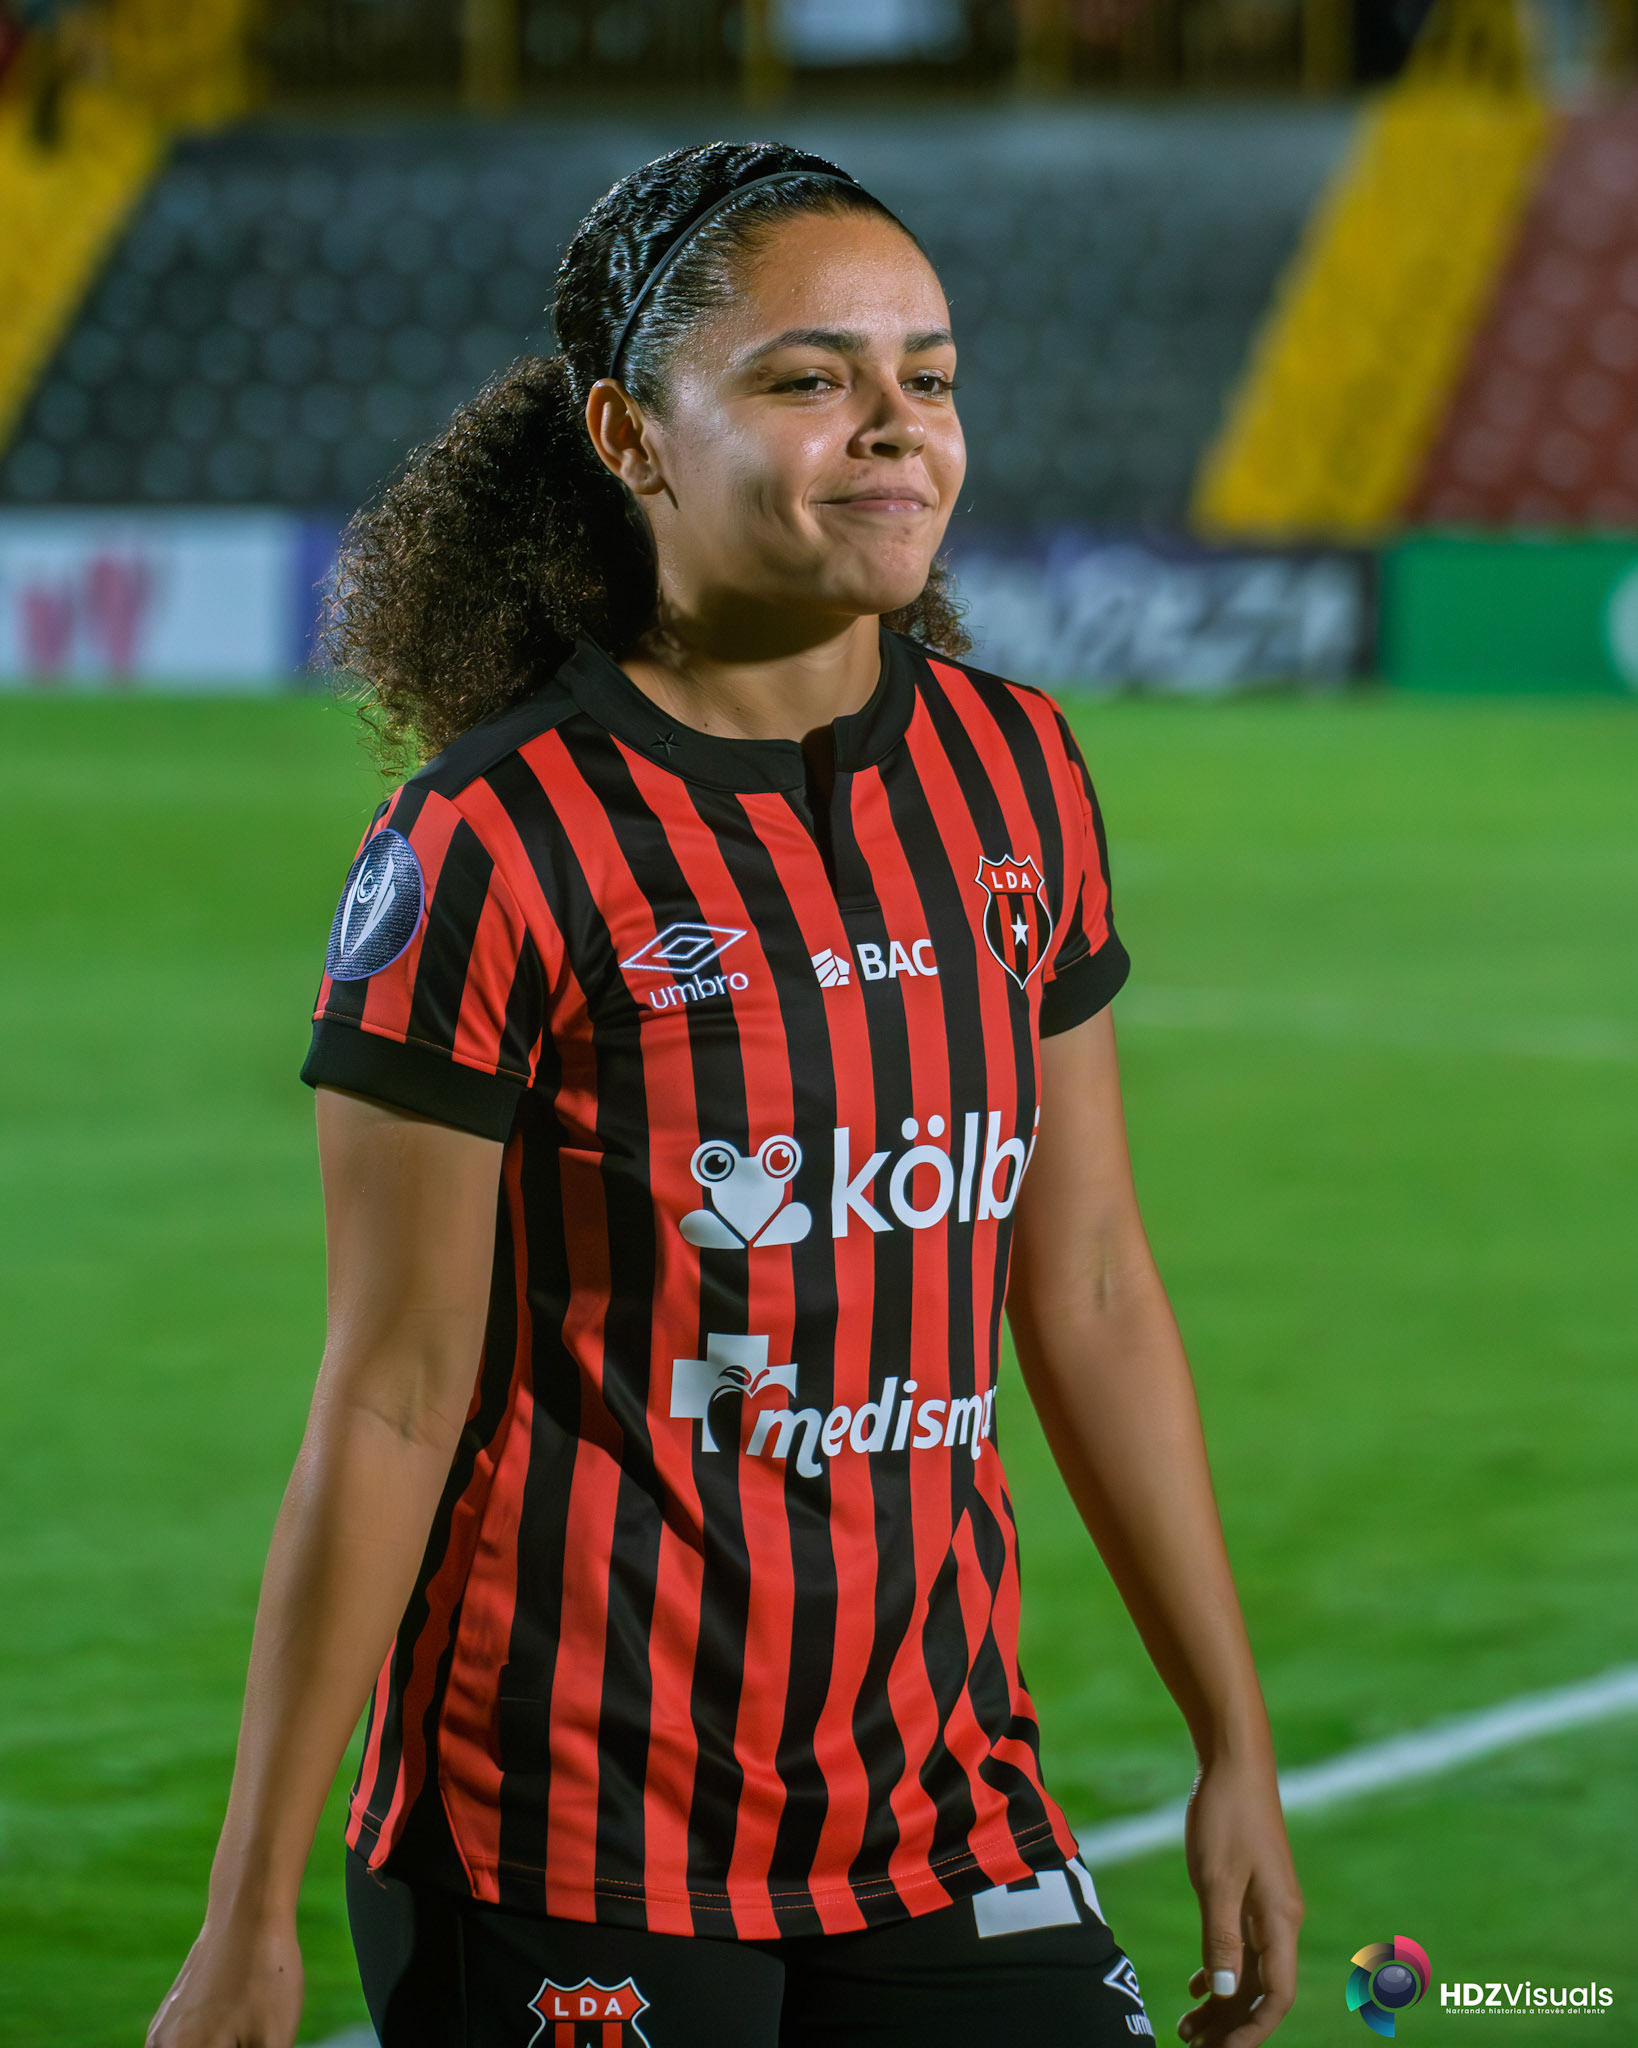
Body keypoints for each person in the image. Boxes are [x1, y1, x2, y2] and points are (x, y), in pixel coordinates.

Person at [147, 141, 1302, 2048]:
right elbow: (394, 1388)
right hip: (562, 1827)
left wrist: (1230, 1741)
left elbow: (1088, 1286)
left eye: (928, 376)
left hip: (940, 1803)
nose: (896, 426)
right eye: (809, 378)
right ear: (630, 435)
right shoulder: (489, 842)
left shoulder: (1016, 775)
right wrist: (247, 1907)